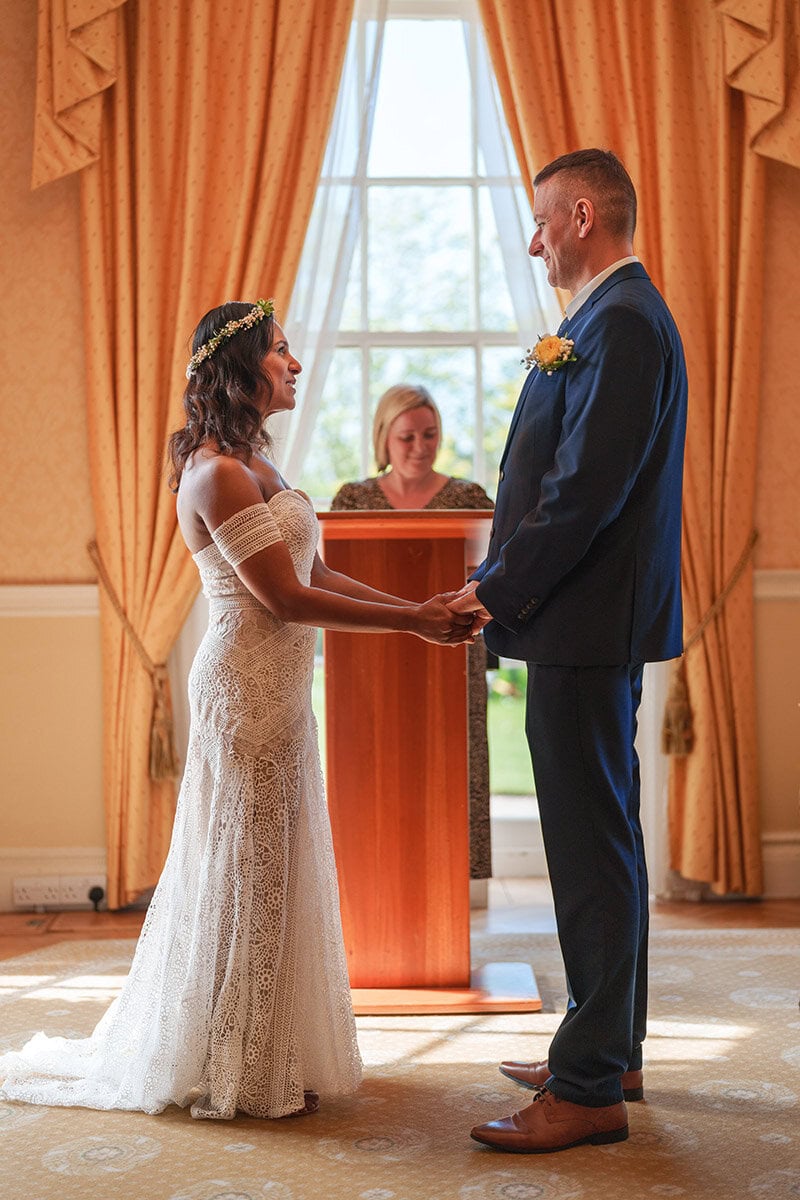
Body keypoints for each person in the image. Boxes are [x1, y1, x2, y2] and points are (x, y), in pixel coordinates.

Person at [0, 300, 473, 1122]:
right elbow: (286, 600)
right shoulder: (218, 472)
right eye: (280, 351)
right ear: (241, 368)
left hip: (279, 690)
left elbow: (316, 573)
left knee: (276, 866)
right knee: (248, 871)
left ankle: (269, 1045)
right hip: (245, 687)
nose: (293, 364)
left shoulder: (261, 467)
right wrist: (412, 622)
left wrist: (416, 610)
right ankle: (241, 1063)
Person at [449, 149, 688, 1154]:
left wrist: (493, 587)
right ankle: (610, 1046)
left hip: (582, 625)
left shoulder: (620, 324)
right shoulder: (609, 320)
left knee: (588, 852)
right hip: (589, 624)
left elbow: (583, 492)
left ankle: (588, 1086)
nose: (534, 238)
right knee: (606, 842)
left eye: (541, 220)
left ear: (581, 214)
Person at [331, 383, 495, 879]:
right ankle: (374, 879)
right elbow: (335, 577)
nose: (420, 447)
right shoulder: (352, 500)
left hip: (454, 650)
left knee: (448, 769)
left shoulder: (468, 498)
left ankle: (446, 884)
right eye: (407, 437)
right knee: (375, 766)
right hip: (370, 655)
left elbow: (495, 569)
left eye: (430, 434)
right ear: (384, 437)